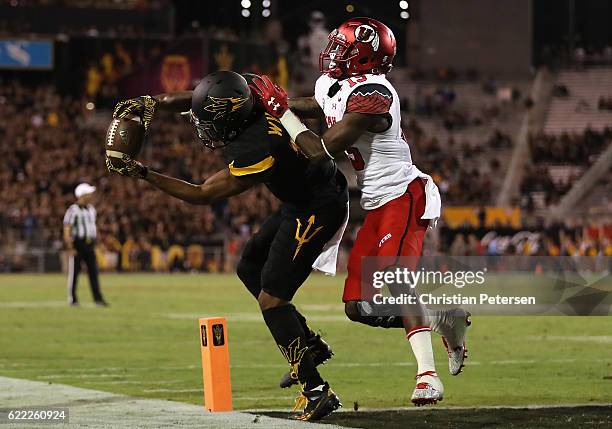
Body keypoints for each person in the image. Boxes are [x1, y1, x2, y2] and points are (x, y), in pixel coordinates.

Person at [250, 17, 470, 406]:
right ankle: (441, 317)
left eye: (345, 48)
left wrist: (281, 113)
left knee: (397, 279)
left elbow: (320, 150)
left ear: (366, 57)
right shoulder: (339, 85)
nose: (334, 52)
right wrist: (267, 107)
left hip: (404, 195)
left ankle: (428, 376)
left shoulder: (376, 94)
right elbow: (316, 106)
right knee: (357, 307)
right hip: (375, 206)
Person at [107, 71, 348, 421]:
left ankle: (316, 390)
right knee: (248, 266)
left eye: (209, 123)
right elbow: (195, 98)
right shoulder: (245, 91)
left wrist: (142, 172)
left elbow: (202, 193)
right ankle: (308, 343)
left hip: (317, 208)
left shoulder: (257, 147)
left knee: (272, 301)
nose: (203, 129)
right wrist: (153, 102)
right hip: (301, 199)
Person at [63, 183, 108, 307]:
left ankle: (97, 299)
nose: (91, 196)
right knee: (74, 273)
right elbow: (67, 229)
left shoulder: (91, 209)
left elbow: (92, 228)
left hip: (90, 243)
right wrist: (70, 247)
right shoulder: (73, 210)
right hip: (78, 243)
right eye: (88, 193)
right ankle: (72, 299)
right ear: (82, 195)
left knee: (93, 272)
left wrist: (98, 243)